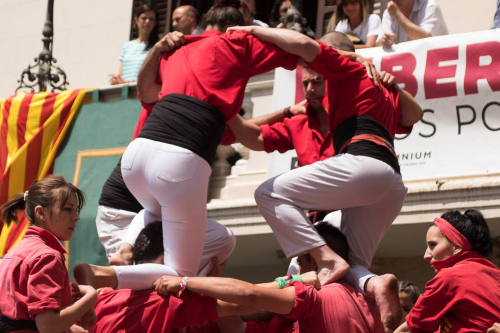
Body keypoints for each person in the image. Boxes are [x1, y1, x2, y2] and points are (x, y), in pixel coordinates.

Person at [227, 26, 422, 331]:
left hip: (361, 168)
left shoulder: (347, 71)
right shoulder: (374, 84)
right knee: (353, 269)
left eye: (318, 75)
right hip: (390, 183)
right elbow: (415, 115)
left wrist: (253, 29)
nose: (314, 81)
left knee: (268, 193)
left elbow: (305, 45)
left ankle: (326, 259)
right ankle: (375, 283)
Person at [97, 0, 300, 291]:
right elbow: (300, 47)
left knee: (213, 235)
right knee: (180, 275)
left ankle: (125, 251)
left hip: (136, 163)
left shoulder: (179, 52)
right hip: (171, 169)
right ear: (236, 28)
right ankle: (106, 277)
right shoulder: (236, 45)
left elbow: (146, 91)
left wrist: (156, 50)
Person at [153, 222, 386, 333]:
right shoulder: (369, 301)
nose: (295, 267)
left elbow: (248, 295)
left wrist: (185, 282)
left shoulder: (312, 296)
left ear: (315, 262)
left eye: (301, 261)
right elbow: (237, 325)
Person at [0, 175, 97, 333]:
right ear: (41, 213)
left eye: (76, 210)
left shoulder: (16, 251)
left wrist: (72, 297)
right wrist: (90, 297)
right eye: (67, 209)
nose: (76, 217)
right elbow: (48, 326)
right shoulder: (47, 256)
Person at [394, 210, 500, 333]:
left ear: (457, 246)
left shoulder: (450, 277)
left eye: (433, 245)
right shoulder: (494, 273)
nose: (426, 255)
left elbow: (410, 328)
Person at [109, 2, 159, 85]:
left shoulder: (157, 47)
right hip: (125, 93)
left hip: (145, 94)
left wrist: (126, 82)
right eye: (144, 18)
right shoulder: (127, 46)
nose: (147, 21)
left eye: (151, 19)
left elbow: (155, 77)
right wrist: (116, 80)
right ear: (136, 20)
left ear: (155, 23)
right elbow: (120, 75)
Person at [377, 0, 448, 48]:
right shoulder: (389, 12)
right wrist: (384, 41)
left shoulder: (430, 7)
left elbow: (425, 39)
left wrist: (397, 15)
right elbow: (378, 46)